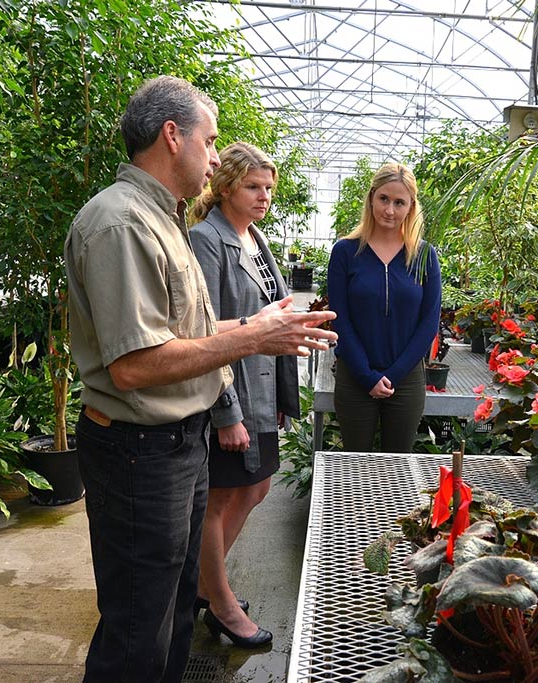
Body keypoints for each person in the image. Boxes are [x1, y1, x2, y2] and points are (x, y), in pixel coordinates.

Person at [64, 76, 336, 683]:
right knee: (138, 628)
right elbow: (134, 364)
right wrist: (251, 339)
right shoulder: (120, 224)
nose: (216, 157)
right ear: (172, 135)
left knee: (175, 610)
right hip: (139, 454)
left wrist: (255, 321)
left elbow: (182, 331)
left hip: (178, 445)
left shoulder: (164, 220)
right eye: (210, 142)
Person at [186, 142, 297, 648]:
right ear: (225, 186)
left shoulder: (254, 239)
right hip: (230, 391)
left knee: (257, 487)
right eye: (254, 186)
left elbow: (269, 312)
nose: (264, 197)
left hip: (260, 387)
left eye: (269, 188)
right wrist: (226, 412)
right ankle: (221, 603)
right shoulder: (207, 240)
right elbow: (203, 331)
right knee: (220, 497)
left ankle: (206, 584)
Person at [326, 162, 441, 453]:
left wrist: (394, 374)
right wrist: (367, 376)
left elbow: (429, 323)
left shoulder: (424, 255)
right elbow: (340, 320)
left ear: (411, 206)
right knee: (355, 466)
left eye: (399, 202)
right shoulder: (346, 252)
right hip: (355, 376)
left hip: (406, 379)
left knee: (399, 466)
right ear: (371, 198)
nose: (389, 210)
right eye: (384, 199)